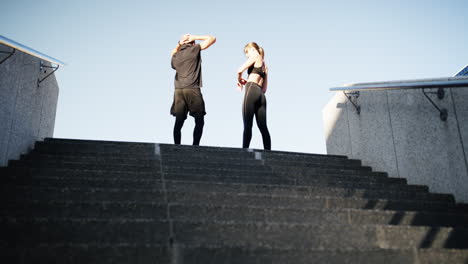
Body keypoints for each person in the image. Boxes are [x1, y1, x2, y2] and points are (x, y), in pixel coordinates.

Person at [170, 34, 216, 145]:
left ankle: (177, 146)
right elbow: (212, 39)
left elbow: (172, 53)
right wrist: (194, 37)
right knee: (199, 120)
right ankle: (195, 145)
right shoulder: (194, 49)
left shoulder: (175, 56)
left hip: (178, 91)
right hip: (192, 89)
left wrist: (179, 44)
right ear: (193, 43)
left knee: (179, 121)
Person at [237, 42, 271, 150]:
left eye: (247, 52)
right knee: (263, 127)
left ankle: (244, 152)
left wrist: (239, 79)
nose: (247, 56)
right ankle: (269, 153)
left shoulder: (255, 55)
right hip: (261, 96)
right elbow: (264, 89)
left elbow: (239, 70)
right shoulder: (265, 66)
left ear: (252, 49)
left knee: (247, 125)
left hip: (251, 90)